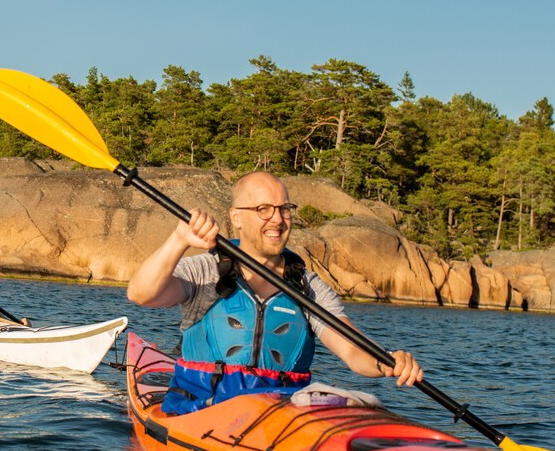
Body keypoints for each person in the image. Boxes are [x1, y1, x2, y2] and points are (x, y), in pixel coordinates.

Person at [127, 170, 422, 415]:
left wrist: (385, 361)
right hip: (198, 412)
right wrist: (178, 241)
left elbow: (350, 348)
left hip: (278, 416)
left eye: (283, 209)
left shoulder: (307, 286)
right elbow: (142, 294)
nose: (277, 220)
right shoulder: (206, 270)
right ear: (236, 217)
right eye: (263, 209)